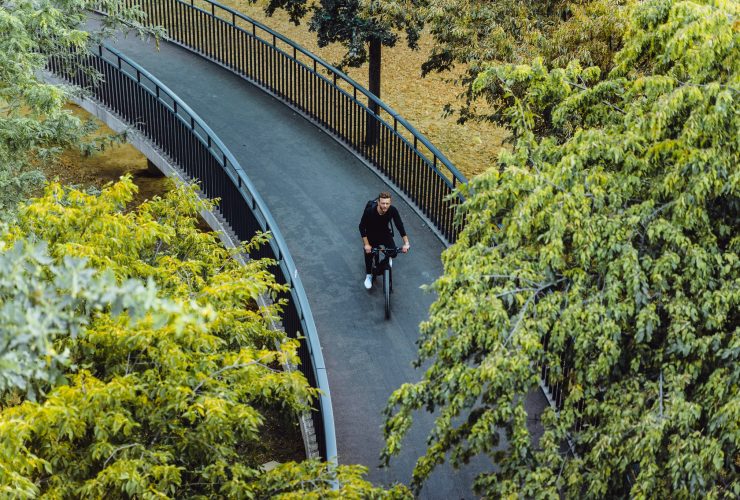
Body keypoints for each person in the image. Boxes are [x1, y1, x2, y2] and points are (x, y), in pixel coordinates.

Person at [358, 191, 410, 289]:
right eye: (383, 203)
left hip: (385, 234)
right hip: (371, 234)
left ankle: (385, 260)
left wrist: (406, 243)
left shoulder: (392, 210)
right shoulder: (370, 211)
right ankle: (369, 275)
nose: (385, 206)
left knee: (393, 252)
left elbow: (400, 226)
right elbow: (361, 227)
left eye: (387, 203)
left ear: (390, 203)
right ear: (378, 202)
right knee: (369, 253)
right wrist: (366, 244)